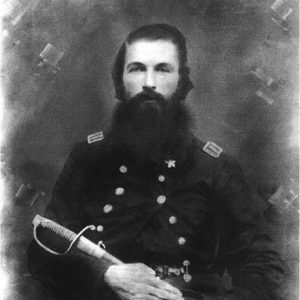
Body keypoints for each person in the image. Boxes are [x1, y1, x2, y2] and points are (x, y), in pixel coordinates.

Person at [27, 23, 284, 300]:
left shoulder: (216, 167)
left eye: (163, 69)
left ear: (183, 83)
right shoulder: (88, 157)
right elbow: (43, 247)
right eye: (137, 68)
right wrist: (103, 273)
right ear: (119, 82)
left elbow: (261, 265)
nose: (149, 83)